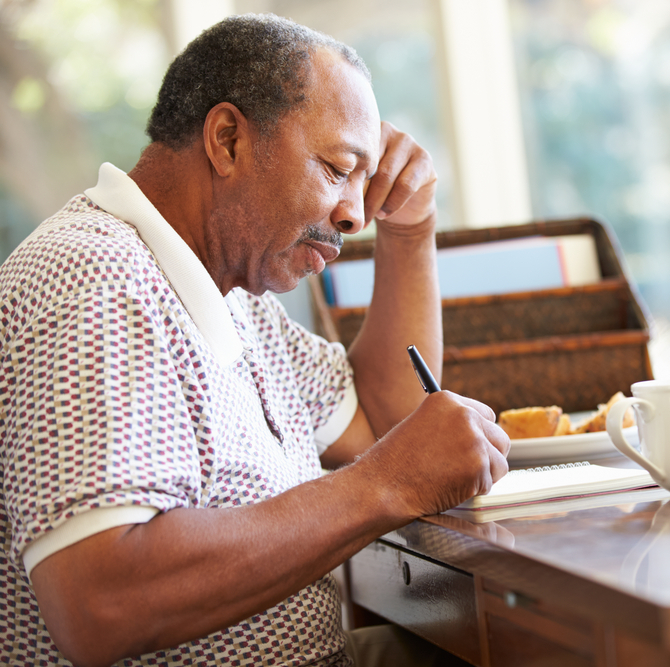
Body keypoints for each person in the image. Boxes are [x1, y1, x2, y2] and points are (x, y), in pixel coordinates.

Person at [0, 14, 509, 667]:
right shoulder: (99, 285)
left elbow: (385, 422)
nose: (355, 214)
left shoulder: (231, 297)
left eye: (365, 180)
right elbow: (100, 603)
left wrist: (409, 227)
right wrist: (386, 484)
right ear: (228, 140)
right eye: (335, 168)